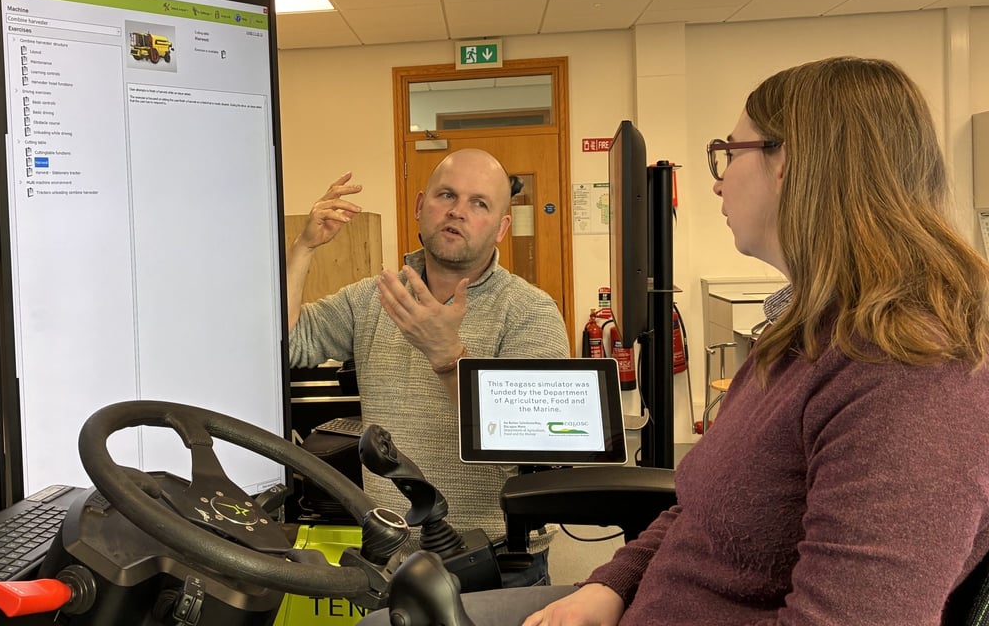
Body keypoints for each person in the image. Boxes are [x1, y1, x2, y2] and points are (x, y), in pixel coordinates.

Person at [361, 56, 989, 625]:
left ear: (791, 161)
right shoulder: (797, 336)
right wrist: (609, 585)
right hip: (643, 600)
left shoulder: (909, 377)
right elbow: (699, 507)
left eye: (728, 152)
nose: (716, 180)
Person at [288, 148, 569, 587]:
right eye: (446, 195)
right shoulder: (376, 297)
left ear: (501, 228)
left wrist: (448, 358)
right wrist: (304, 248)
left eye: (479, 203)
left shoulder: (530, 311)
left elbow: (534, 442)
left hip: (496, 562)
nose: (458, 211)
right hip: (393, 558)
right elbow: (290, 342)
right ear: (421, 207)